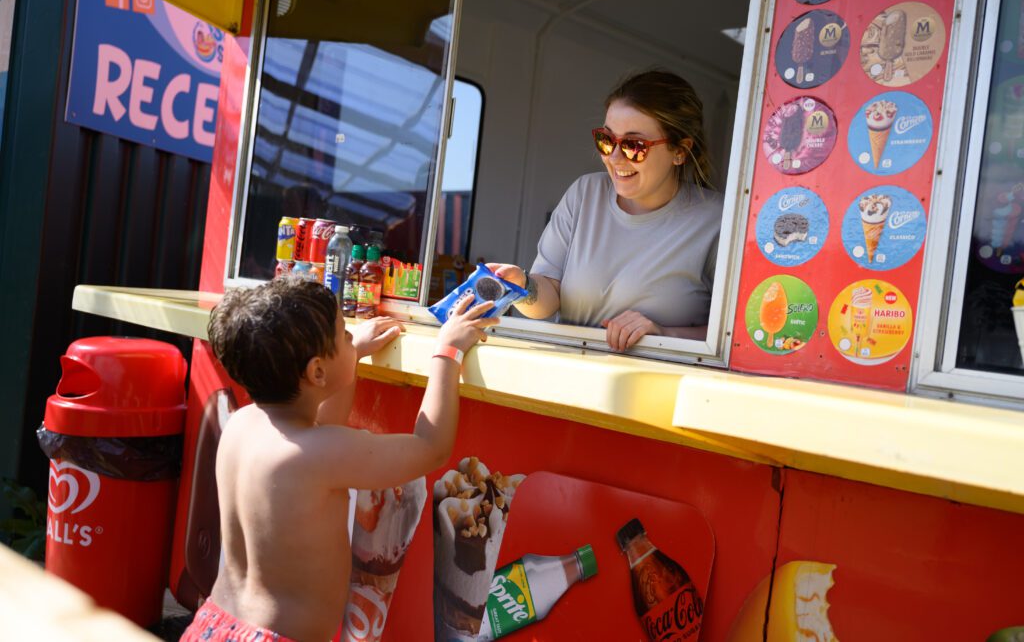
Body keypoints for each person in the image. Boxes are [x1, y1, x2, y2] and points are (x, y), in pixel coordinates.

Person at [179, 275, 497, 642]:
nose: (352, 338)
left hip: (214, 625)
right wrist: (448, 352)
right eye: (344, 334)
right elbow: (431, 448)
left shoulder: (242, 426)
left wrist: (349, 355)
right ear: (316, 371)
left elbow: (320, 424)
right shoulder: (320, 451)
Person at [488, 69, 723, 352]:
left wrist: (663, 333)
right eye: (607, 140)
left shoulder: (717, 220)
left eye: (635, 146)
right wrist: (521, 286)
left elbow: (734, 334)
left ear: (680, 151)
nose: (614, 157)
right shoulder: (584, 194)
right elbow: (548, 294)